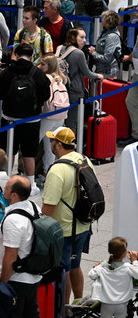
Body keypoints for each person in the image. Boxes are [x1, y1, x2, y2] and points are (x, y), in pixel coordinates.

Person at [42, 126, 96, 305]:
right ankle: (78, 303)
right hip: (83, 225)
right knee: (75, 265)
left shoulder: (57, 169)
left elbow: (49, 206)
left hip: (64, 231)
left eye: (52, 140)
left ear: (58, 145)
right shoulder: (84, 159)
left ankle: (63, 311)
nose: (50, 142)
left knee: (62, 270)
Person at [0, 44, 51, 195]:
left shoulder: (8, 72)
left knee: (8, 151)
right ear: (32, 56)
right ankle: (31, 185)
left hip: (9, 119)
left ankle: (5, 182)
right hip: (31, 120)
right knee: (29, 153)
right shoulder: (37, 73)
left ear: (16, 54)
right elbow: (46, 95)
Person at [0, 176, 41, 318]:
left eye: (7, 187)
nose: (4, 188)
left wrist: (2, 284)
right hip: (33, 277)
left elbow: (11, 256)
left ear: (14, 195)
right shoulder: (35, 208)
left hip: (16, 281)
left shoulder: (13, 220)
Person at [56, 28, 103, 135]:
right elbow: (87, 73)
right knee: (72, 123)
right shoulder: (78, 53)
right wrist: (98, 75)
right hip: (75, 91)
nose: (84, 40)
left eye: (85, 37)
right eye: (81, 37)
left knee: (59, 122)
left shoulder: (60, 48)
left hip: (60, 89)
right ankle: (69, 147)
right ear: (73, 38)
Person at [88, 237, 138, 318]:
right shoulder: (128, 268)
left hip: (106, 304)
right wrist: (135, 261)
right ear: (124, 253)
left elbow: (91, 275)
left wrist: (99, 265)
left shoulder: (102, 267)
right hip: (122, 304)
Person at [37, 55, 69, 175]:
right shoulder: (61, 78)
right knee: (51, 147)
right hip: (60, 115)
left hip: (47, 116)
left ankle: (28, 174)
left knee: (34, 144)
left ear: (49, 66)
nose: (40, 66)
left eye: (43, 64)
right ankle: (48, 173)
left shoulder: (46, 78)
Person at [90, 10, 122, 79]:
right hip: (101, 68)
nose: (101, 20)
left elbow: (107, 58)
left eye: (103, 19)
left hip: (107, 71)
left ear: (108, 22)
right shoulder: (106, 32)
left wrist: (94, 53)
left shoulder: (111, 36)